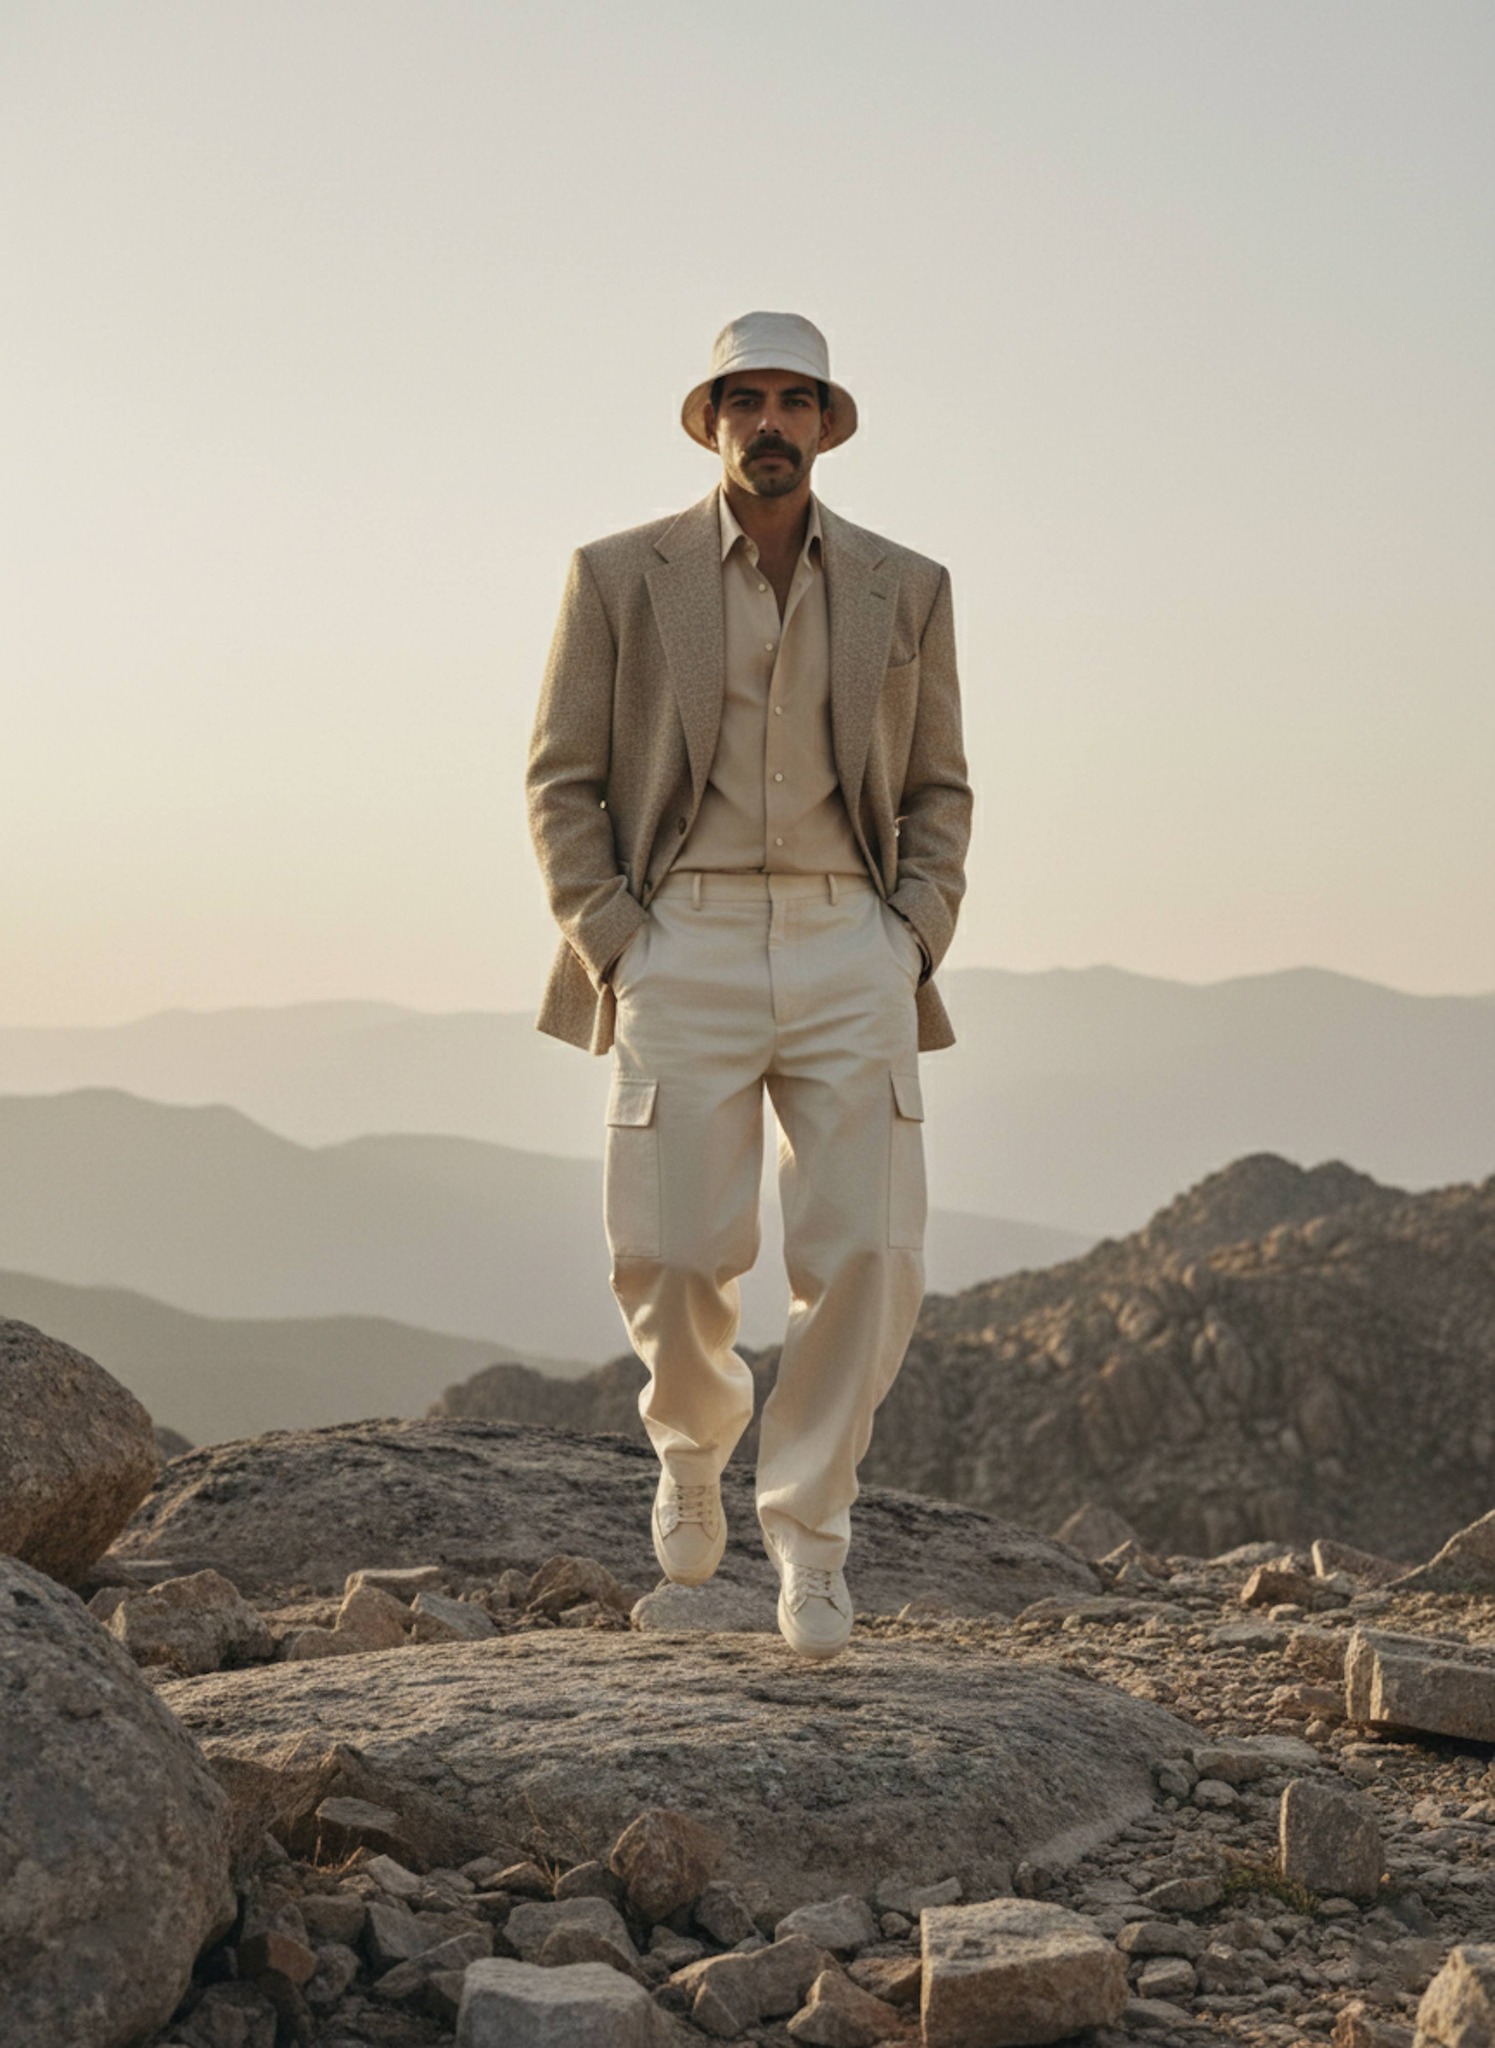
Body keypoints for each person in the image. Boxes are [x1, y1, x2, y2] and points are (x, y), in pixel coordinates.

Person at [526, 311, 971, 1659]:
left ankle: (813, 1540)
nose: (769, 422)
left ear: (826, 425)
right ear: (710, 419)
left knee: (870, 1253)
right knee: (667, 1247)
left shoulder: (909, 583)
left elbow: (942, 784)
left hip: (851, 937)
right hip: (685, 933)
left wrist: (911, 935)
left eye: (795, 400)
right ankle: (691, 1444)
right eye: (746, 399)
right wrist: (616, 936)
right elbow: (562, 778)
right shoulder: (620, 575)